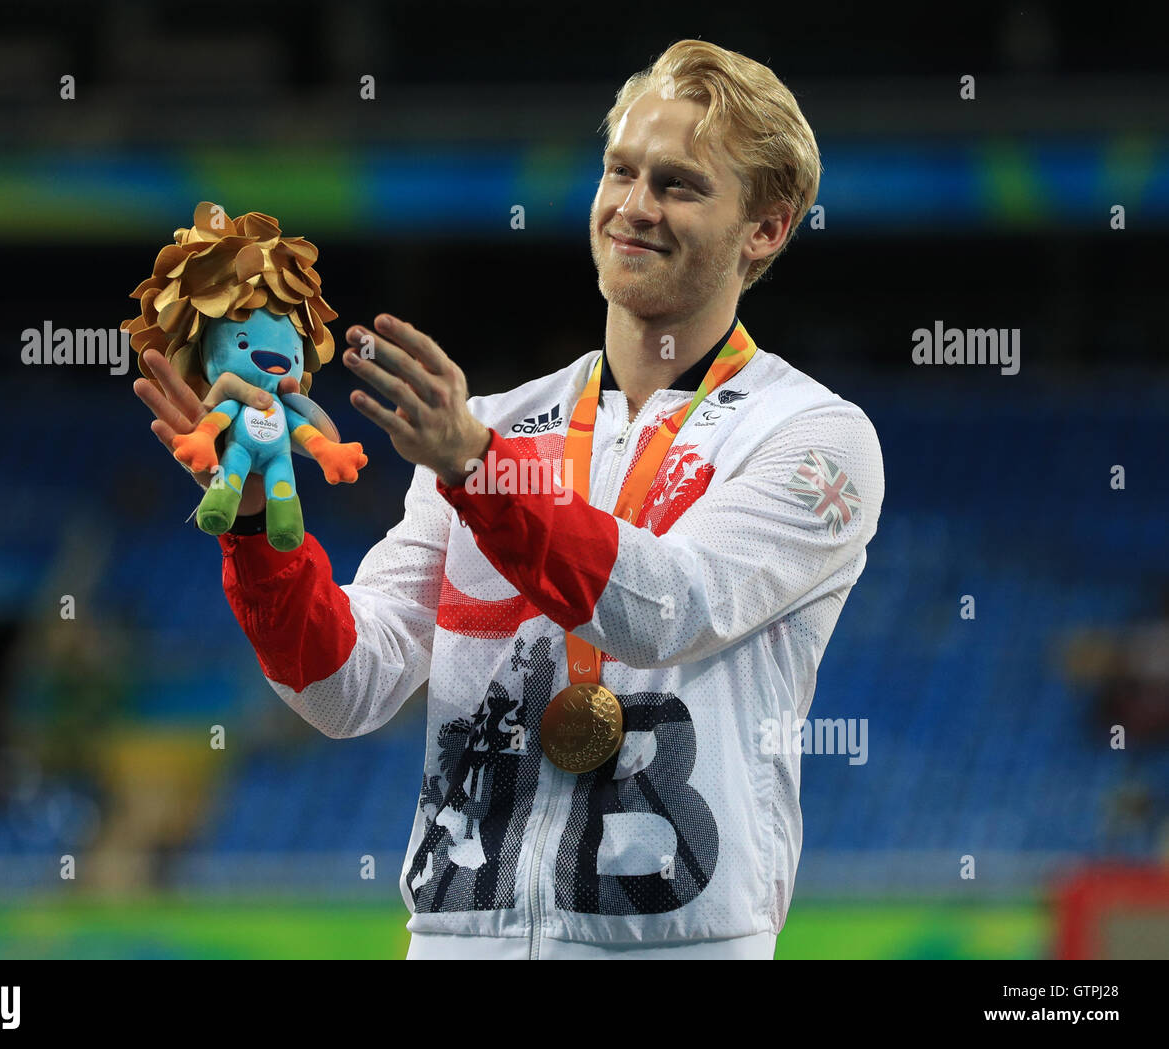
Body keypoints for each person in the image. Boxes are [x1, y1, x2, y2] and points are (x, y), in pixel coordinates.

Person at [135, 39, 885, 960]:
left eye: (680, 184)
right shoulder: (494, 425)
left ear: (766, 229)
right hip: (455, 938)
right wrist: (256, 531)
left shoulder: (810, 437)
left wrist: (481, 472)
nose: (635, 207)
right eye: (621, 171)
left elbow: (667, 608)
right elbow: (344, 687)